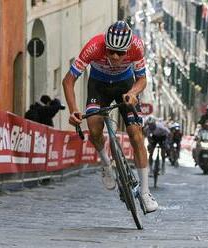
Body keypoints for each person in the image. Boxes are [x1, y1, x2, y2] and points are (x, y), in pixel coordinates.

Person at [62, 20, 158, 213]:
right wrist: (73, 111)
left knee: (136, 135)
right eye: (110, 51)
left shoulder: (136, 47)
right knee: (95, 128)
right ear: (105, 45)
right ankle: (106, 162)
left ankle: (145, 193)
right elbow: (68, 81)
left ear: (128, 48)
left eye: (120, 53)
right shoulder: (94, 47)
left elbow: (142, 79)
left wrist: (133, 93)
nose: (115, 56)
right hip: (98, 86)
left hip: (124, 85)